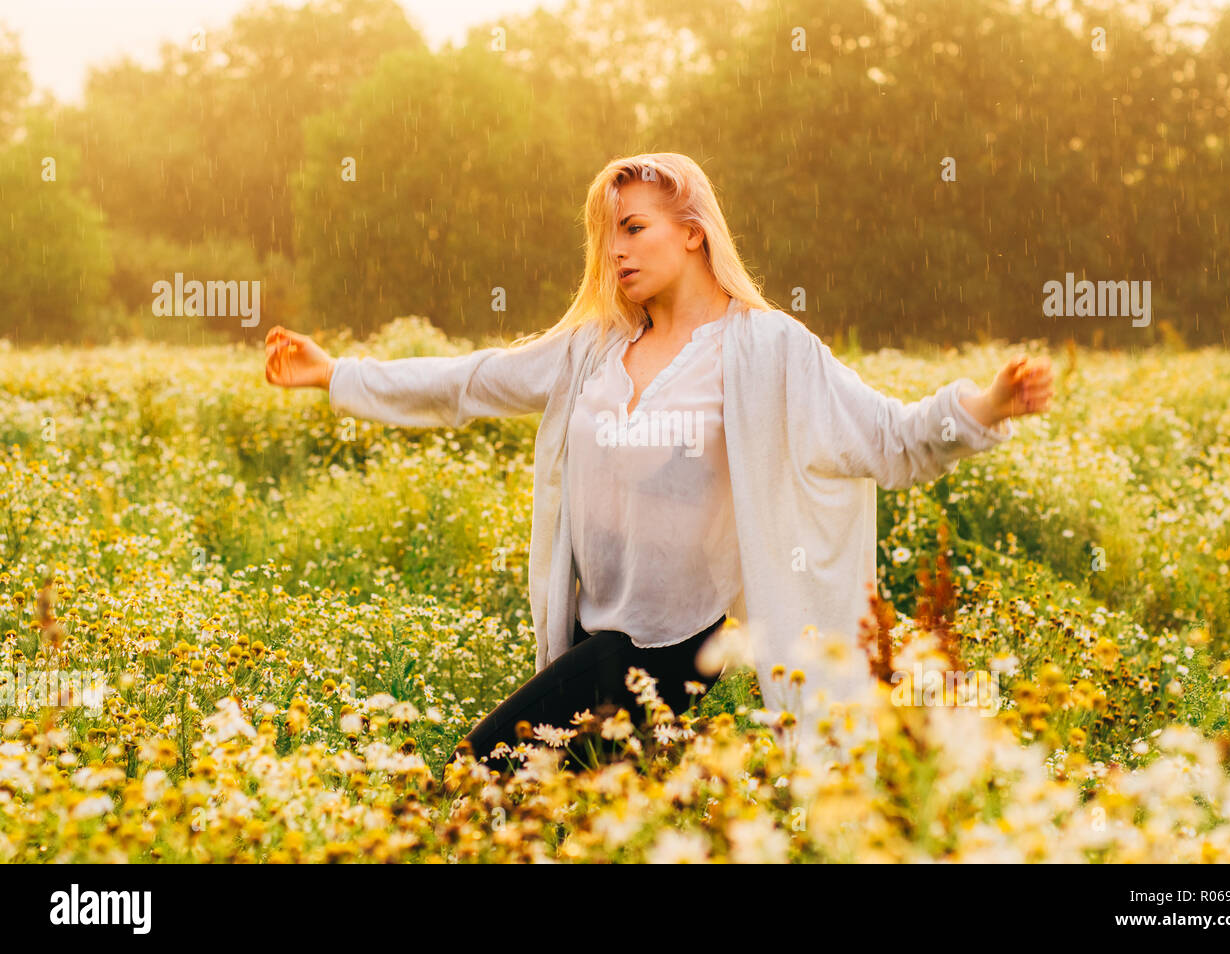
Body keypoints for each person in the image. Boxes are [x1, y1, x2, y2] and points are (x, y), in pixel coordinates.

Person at [264, 152, 1054, 784]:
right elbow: (471, 381)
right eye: (607, 235)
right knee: (577, 823)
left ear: (694, 232)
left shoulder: (767, 350)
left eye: (634, 227)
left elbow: (891, 438)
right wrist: (338, 375)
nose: (615, 250)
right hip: (586, 634)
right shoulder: (594, 348)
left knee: (476, 777)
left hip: (669, 652)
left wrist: (984, 407)